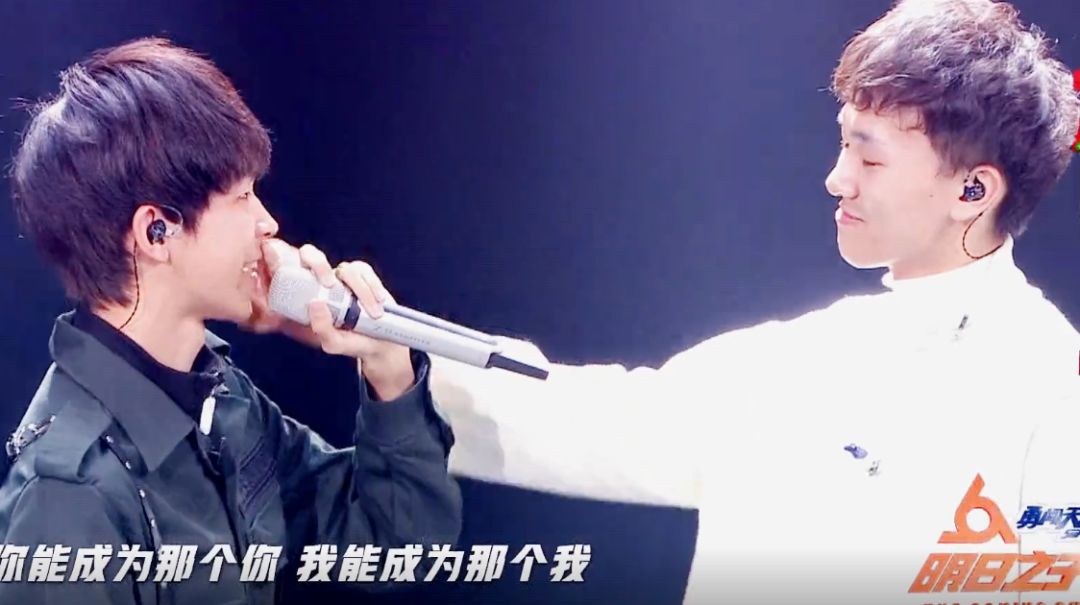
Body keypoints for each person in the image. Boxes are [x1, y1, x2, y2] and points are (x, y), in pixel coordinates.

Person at [427, 0, 1080, 603]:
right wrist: (402, 360)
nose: (837, 179)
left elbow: (1057, 581)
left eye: (871, 159)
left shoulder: (1052, 381)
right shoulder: (807, 353)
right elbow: (609, 420)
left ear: (972, 191)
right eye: (844, 143)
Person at [0, 38, 461, 604]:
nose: (267, 223)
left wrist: (385, 361)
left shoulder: (220, 399)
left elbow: (395, 547)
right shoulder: (68, 497)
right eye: (242, 197)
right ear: (156, 232)